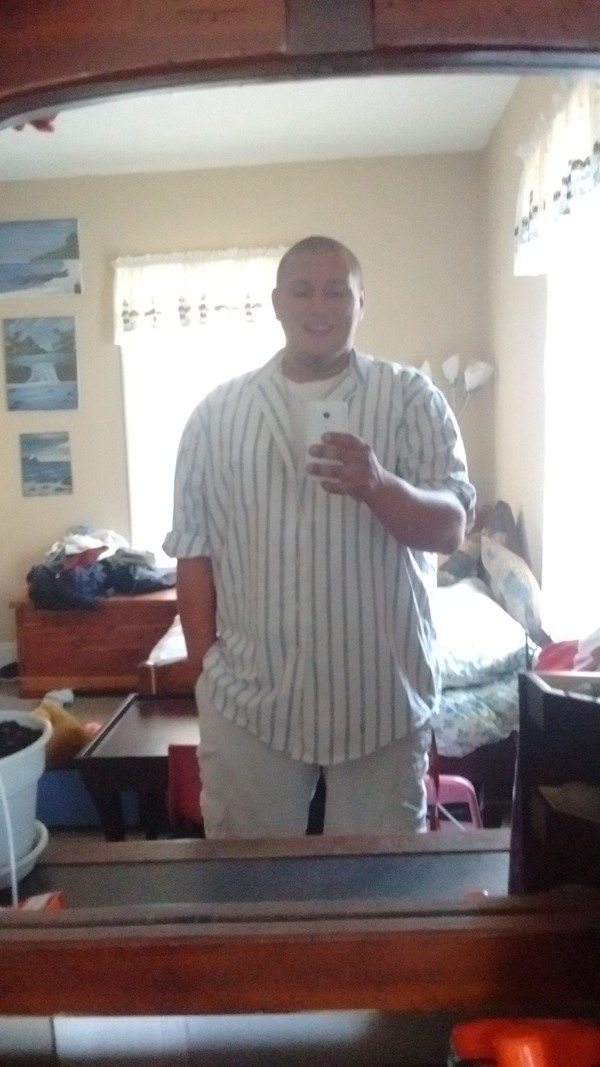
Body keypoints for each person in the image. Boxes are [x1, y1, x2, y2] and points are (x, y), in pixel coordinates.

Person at [163, 235, 476, 837]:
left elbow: (451, 528)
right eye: (302, 291)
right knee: (251, 880)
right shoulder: (214, 417)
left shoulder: (412, 400)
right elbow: (194, 552)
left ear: (362, 302)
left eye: (337, 292)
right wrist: (206, 670)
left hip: (381, 697)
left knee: (374, 885)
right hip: (250, 705)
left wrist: (379, 485)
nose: (319, 306)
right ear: (276, 302)